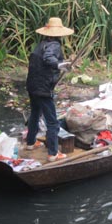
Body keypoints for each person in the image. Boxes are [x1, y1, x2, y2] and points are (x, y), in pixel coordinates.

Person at [25, 17, 74, 162]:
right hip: (43, 89)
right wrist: (59, 65)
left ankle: (30, 143)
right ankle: (53, 153)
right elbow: (48, 58)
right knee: (52, 122)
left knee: (35, 113)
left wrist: (61, 64)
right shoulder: (54, 46)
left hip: (32, 86)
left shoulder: (41, 44)